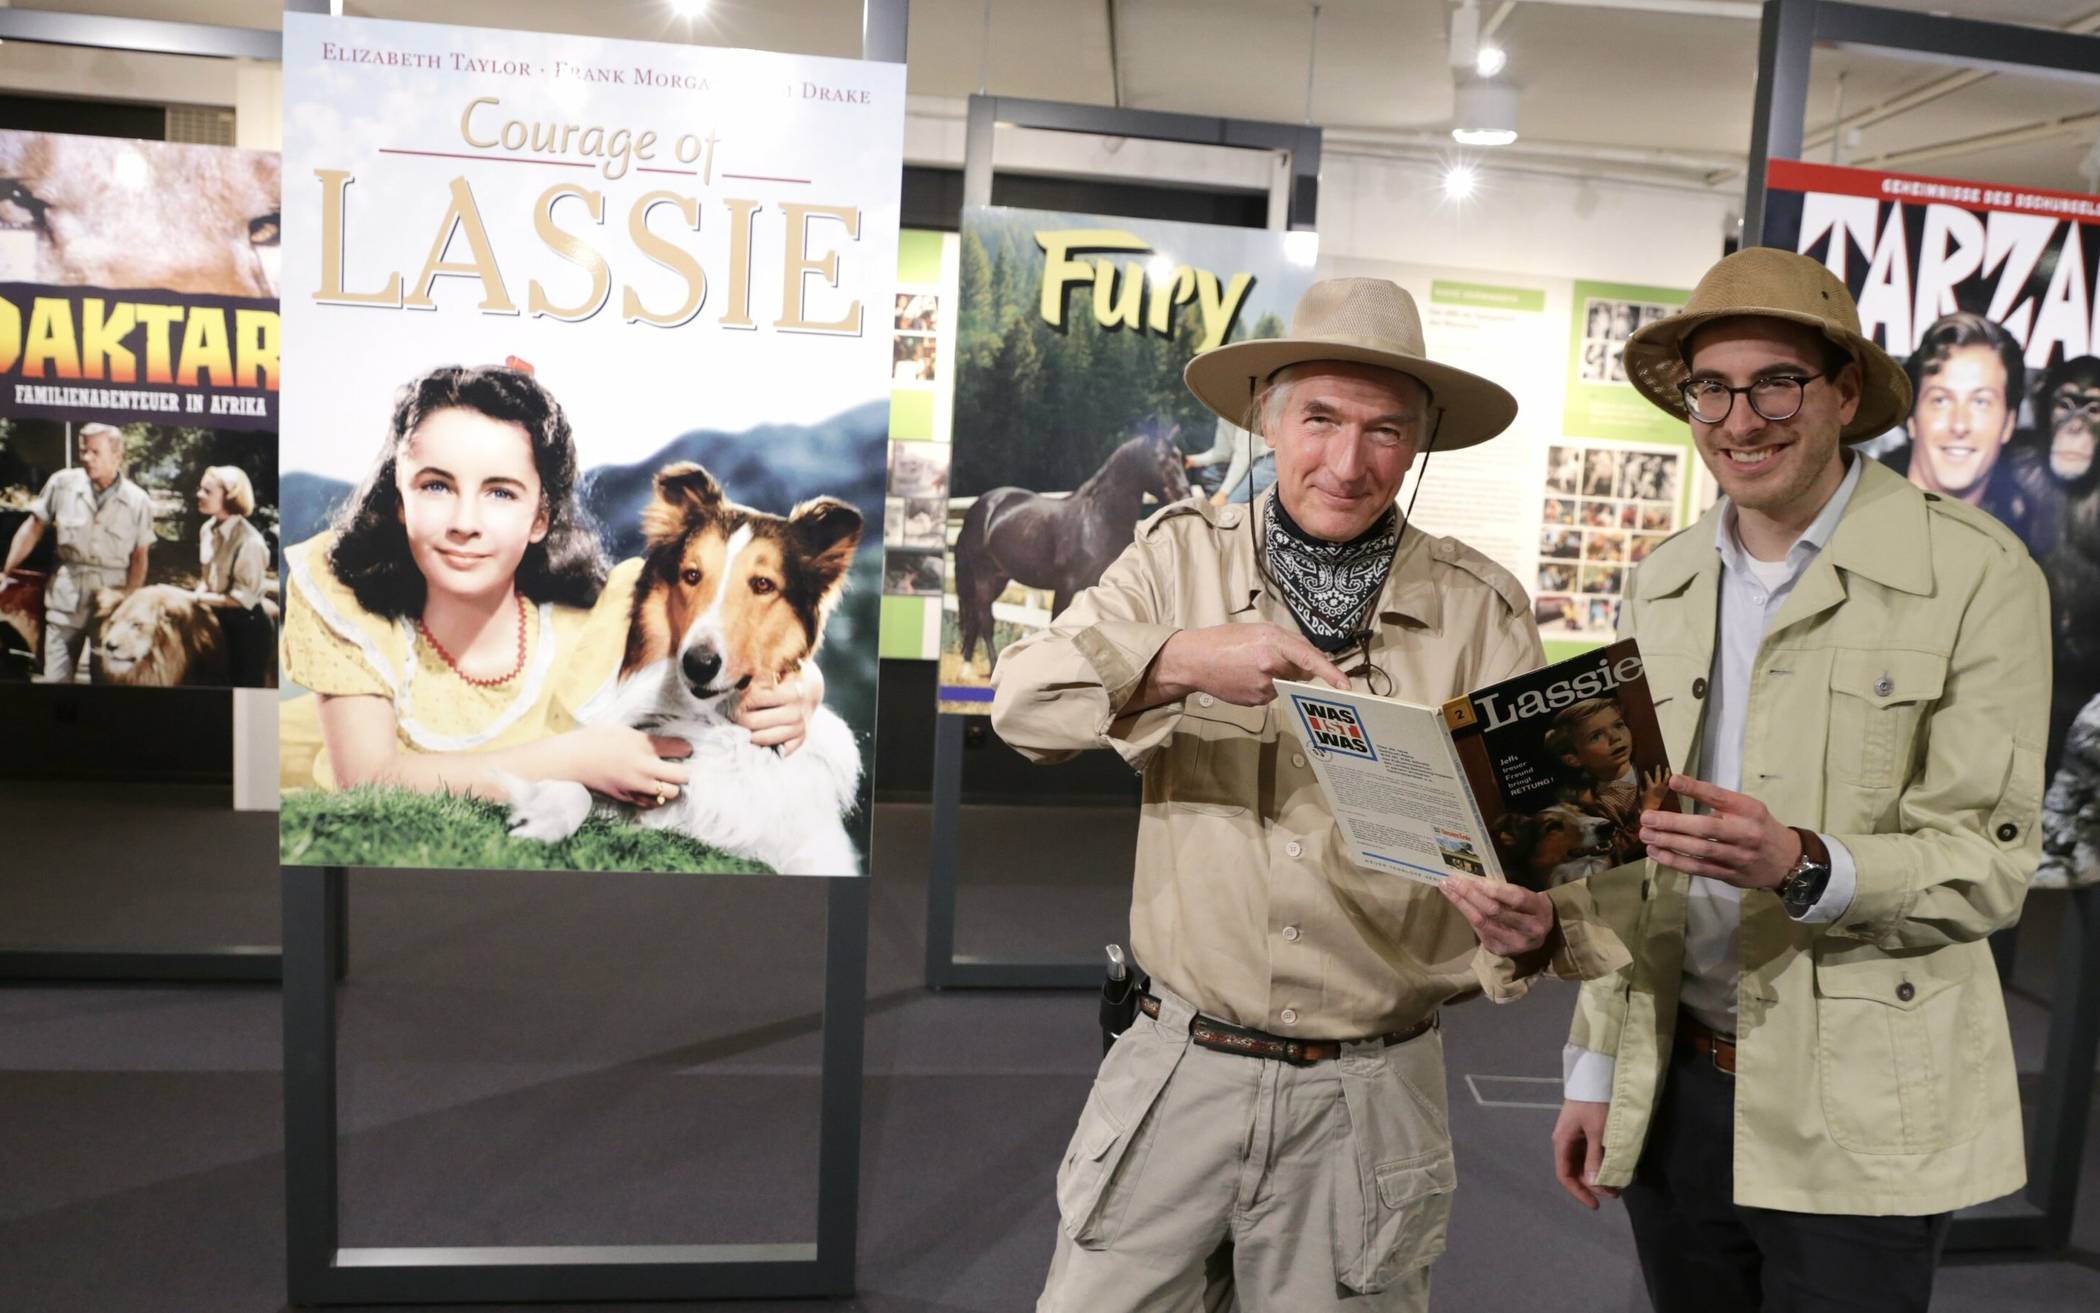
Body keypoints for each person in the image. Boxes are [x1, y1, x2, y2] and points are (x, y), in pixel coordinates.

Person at [991, 277, 1627, 1312]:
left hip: (1369, 1098)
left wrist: (1534, 919)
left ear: (1417, 445)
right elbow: (1023, 702)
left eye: (1384, 430)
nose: (1347, 460)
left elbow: (1573, 878)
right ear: (1268, 419)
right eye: (1321, 417)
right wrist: (1183, 658)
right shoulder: (1175, 562)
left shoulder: (1482, 614)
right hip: (1175, 1074)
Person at [1549, 247, 2049, 1313]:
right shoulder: (1664, 581)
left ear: (1845, 392)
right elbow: (1627, 855)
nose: (1742, 418)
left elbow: (1990, 865)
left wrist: (1808, 863)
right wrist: (1595, 1070)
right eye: (1712, 387)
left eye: (1777, 380)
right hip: (1675, 1080)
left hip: (1861, 1096)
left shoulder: (1976, 574)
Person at [279, 361, 820, 802]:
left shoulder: (603, 617)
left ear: (541, 517)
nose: (464, 522)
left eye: (500, 493)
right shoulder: (347, 602)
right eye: (436, 486)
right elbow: (369, 778)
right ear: (400, 499)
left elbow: (725, 625)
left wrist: (804, 688)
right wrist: (574, 761)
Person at [0, 422, 154, 682]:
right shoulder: (62, 484)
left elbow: (140, 557)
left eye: (95, 452)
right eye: (83, 451)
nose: (86, 458)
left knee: (106, 685)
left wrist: (129, 601)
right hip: (65, 600)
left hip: (110, 607)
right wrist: (6, 571)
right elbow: (33, 528)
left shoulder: (138, 501)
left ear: (117, 455)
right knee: (55, 682)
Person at [1902, 311, 2025, 527]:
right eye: (1941, 400)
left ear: (2008, 424)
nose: (1959, 424)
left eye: (1980, 402)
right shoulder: (1850, 528)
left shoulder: (2020, 555)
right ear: (1912, 418)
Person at [1546, 696, 1668, 866]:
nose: (1615, 737)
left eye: (1618, 725)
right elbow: (1616, 848)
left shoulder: (1649, 757)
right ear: (1573, 759)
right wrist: (1648, 808)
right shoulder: (1602, 804)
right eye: (1596, 736)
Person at [193, 464, 276, 686]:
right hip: (214, 615)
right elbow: (208, 576)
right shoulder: (207, 529)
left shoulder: (250, 542)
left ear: (230, 497)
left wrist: (196, 599)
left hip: (245, 627)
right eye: (201, 489)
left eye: (208, 491)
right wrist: (199, 594)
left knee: (242, 686)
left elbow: (243, 598)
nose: (199, 495)